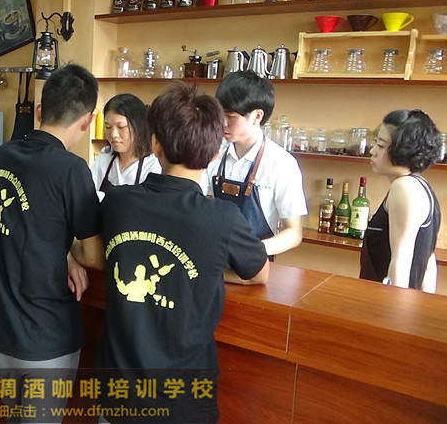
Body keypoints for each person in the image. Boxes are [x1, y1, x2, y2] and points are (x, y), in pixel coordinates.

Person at [97, 83, 269, 424]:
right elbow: (258, 274)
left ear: (155, 143)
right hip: (185, 401)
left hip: (118, 395)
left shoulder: (118, 202)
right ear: (216, 153)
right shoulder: (222, 218)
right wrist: (207, 267)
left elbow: (89, 248)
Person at [0, 63, 104, 422]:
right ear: (87, 121)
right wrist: (71, 254)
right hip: (46, 338)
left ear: (38, 111)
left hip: (0, 335)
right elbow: (95, 256)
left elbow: (26, 226)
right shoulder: (72, 169)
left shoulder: (2, 155)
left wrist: (63, 254)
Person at [203, 71, 307, 257]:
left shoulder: (282, 164)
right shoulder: (213, 153)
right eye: (220, 114)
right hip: (213, 256)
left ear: (257, 116)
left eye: (231, 116)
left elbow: (293, 233)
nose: (223, 123)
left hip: (255, 262)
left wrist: (250, 252)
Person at [359, 109, 442, 293]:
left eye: (381, 146)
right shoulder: (421, 186)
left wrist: (394, 308)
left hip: (388, 300)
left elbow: (400, 261)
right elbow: (428, 262)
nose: (372, 151)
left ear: (403, 150)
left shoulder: (404, 187)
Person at [90, 93, 161, 200]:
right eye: (108, 127)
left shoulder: (153, 165)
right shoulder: (105, 157)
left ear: (138, 126)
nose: (113, 134)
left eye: (121, 127)